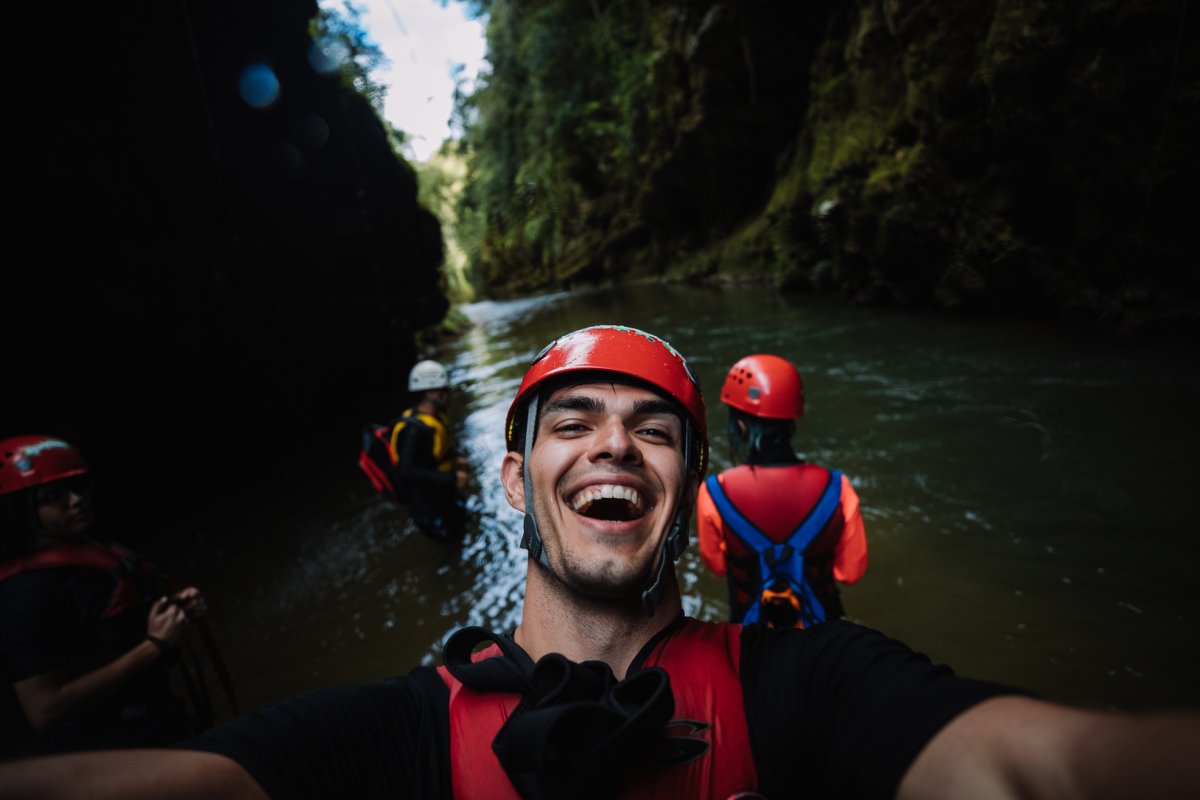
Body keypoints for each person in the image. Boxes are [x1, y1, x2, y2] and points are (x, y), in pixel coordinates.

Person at [0, 326, 1197, 798]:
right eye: (571, 422)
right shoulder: (393, 736)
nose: (614, 441)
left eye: (654, 427)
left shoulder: (811, 686)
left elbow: (1038, 763)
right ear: (517, 477)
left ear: (689, 491)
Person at [0, 435, 229, 758]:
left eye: (79, 487)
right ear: (21, 511)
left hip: (157, 724)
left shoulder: (89, 550)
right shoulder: (26, 594)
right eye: (55, 496)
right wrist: (154, 646)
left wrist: (173, 611)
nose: (77, 500)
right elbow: (44, 709)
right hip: (110, 752)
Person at [697, 353, 868, 629]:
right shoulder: (838, 487)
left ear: (740, 424)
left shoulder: (715, 492)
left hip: (752, 634)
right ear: (793, 419)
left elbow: (717, 566)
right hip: (823, 634)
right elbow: (851, 572)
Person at [360, 359, 470, 540]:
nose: (449, 393)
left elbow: (433, 453)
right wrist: (452, 479)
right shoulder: (412, 429)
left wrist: (455, 458)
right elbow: (407, 471)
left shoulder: (435, 417)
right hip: (427, 505)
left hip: (442, 494)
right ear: (431, 392)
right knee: (450, 542)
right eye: (444, 390)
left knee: (461, 525)